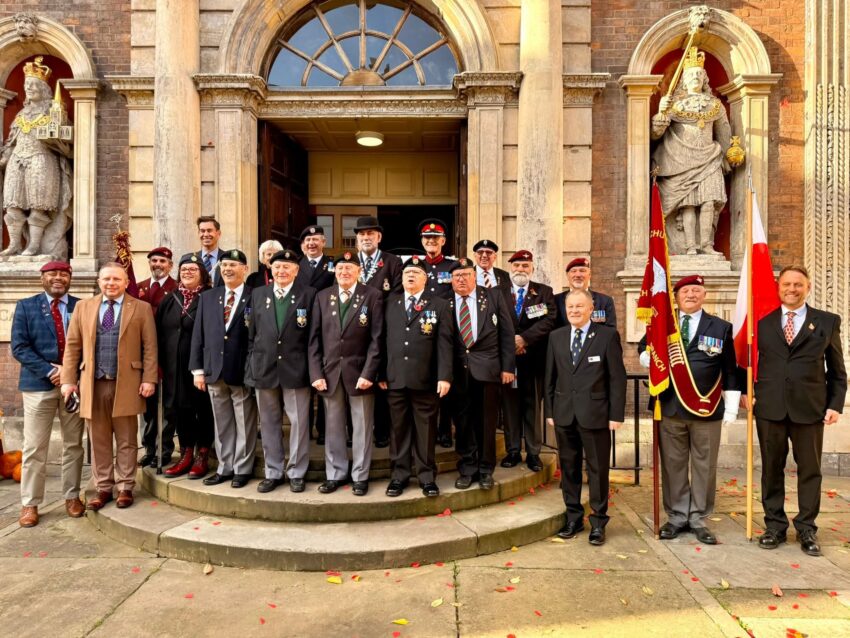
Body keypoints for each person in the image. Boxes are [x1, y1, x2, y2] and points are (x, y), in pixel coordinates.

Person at [638, 275, 741, 545]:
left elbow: (730, 370)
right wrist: (648, 356)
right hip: (670, 406)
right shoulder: (663, 323)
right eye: (686, 291)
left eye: (697, 290)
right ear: (676, 296)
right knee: (673, 464)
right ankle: (676, 516)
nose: (691, 295)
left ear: (704, 295)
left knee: (704, 466)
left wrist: (730, 408)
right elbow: (643, 347)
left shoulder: (721, 327)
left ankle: (698, 518)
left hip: (707, 409)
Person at [753, 266, 847, 556]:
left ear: (807, 287)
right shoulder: (762, 323)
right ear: (778, 288)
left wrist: (835, 404)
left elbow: (838, 370)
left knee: (810, 470)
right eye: (786, 284)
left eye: (798, 284)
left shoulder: (827, 322)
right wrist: (747, 393)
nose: (791, 289)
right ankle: (775, 527)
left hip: (810, 408)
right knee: (771, 469)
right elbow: (748, 363)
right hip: (770, 408)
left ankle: (806, 528)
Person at [61, 263, 158, 510]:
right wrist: (68, 382)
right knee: (99, 439)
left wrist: (149, 378)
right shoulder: (83, 307)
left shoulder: (141, 308)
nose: (111, 283)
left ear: (126, 282)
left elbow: (150, 347)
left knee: (127, 438)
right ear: (99, 282)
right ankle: (103, 487)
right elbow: (72, 347)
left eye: (116, 279)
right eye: (106, 279)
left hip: (127, 383)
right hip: (92, 384)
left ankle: (125, 486)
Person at [545, 289, 626, 546]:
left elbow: (617, 378)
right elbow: (550, 378)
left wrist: (616, 414)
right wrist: (549, 412)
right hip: (564, 414)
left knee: (598, 470)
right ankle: (573, 518)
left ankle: (599, 522)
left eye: (580, 306)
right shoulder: (556, 337)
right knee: (568, 469)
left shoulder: (607, 336)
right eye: (570, 307)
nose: (574, 311)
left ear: (591, 309)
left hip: (596, 415)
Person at [12, 261, 84, 527]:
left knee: (74, 444)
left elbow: (90, 344)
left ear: (70, 278)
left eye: (64, 274)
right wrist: (49, 370)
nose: (58, 278)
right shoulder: (26, 307)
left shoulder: (81, 306)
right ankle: (30, 503)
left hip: (74, 387)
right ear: (42, 277)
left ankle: (72, 496)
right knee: (34, 448)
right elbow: (19, 347)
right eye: (53, 274)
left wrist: (70, 373)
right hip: (37, 386)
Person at [309, 251, 383, 496]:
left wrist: (369, 372)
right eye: (340, 269)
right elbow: (314, 340)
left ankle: (360, 476)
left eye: (349, 269)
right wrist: (316, 373)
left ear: (359, 272)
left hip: (360, 374)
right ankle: (335, 474)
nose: (344, 273)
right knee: (333, 427)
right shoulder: (322, 297)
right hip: (330, 374)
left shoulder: (372, 296)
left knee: (362, 427)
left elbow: (377, 339)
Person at [379, 257, 453, 498]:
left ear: (425, 278)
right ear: (401, 278)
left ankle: (426, 477)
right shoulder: (390, 302)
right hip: (395, 378)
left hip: (426, 380)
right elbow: (381, 341)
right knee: (398, 431)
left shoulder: (439, 305)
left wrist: (444, 376)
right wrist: (380, 373)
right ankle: (398, 476)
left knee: (426, 430)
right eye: (407, 273)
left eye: (416, 273)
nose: (410, 276)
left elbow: (444, 344)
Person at [651, 47, 733, 256]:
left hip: (710, 158)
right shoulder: (673, 104)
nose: (695, 77)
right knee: (687, 204)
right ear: (684, 81)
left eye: (698, 74)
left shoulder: (715, 105)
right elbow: (656, 134)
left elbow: (724, 132)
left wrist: (731, 153)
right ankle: (690, 247)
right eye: (691, 75)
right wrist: (660, 114)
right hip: (680, 161)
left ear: (705, 79)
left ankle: (706, 245)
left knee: (708, 202)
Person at [246, 249, 316, 494]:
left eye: (287, 267)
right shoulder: (258, 294)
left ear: (296, 271)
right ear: (271, 270)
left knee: (299, 424)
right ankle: (273, 471)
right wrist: (251, 366)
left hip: (296, 370)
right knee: (268, 423)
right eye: (277, 267)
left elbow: (313, 338)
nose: (282, 271)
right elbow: (251, 335)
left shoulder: (309, 295)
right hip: (264, 368)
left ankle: (297, 472)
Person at [189, 249, 257, 488]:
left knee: (244, 423)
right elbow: (199, 335)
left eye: (234, 265)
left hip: (242, 372)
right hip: (213, 370)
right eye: (224, 265)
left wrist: (253, 370)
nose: (228, 269)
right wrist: (197, 370)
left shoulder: (255, 296)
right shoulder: (208, 297)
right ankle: (224, 466)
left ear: (245, 269)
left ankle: (242, 468)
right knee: (221, 423)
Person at [448, 258, 515, 490]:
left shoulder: (493, 296)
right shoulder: (444, 301)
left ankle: (486, 469)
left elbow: (507, 334)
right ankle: (467, 468)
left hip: (488, 370)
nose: (462, 280)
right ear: (451, 280)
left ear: (474, 276)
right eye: (457, 276)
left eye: (466, 275)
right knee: (463, 422)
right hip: (457, 373)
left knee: (486, 423)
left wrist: (508, 367)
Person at [155, 254, 214, 479]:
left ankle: (203, 454)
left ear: (202, 273)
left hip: (200, 368)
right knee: (181, 411)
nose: (187, 273)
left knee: (203, 410)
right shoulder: (170, 298)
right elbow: (159, 332)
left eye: (192, 269)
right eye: (184, 269)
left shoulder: (209, 297)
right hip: (173, 368)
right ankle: (186, 452)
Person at [500, 250, 556, 473]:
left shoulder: (543, 292)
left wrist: (525, 339)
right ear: (510, 267)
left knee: (533, 407)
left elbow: (550, 319)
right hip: (508, 361)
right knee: (510, 407)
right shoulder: (498, 292)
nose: (520, 269)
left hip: (533, 361)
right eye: (517, 265)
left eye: (525, 265)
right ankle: (513, 450)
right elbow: (492, 322)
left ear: (532, 268)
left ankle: (533, 453)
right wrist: (511, 342)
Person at [354, 215, 401, 448]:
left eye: (370, 234)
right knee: (354, 380)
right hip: (353, 331)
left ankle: (381, 431)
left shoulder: (392, 262)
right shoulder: (348, 260)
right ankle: (353, 433)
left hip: (382, 329)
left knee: (381, 381)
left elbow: (398, 293)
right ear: (357, 238)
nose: (366, 238)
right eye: (362, 234)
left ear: (379, 237)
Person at [137, 246, 178, 468]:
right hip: (144, 356)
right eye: (154, 261)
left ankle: (165, 450)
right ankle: (149, 449)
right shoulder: (140, 288)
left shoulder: (176, 289)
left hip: (168, 354)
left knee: (168, 407)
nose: (158, 265)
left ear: (170, 266)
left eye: (162, 261)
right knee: (148, 407)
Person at [295, 225, 335, 444]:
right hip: (300, 330)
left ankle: (324, 429)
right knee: (303, 382)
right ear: (302, 245)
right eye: (307, 241)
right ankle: (305, 428)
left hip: (325, 328)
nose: (311, 244)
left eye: (316, 240)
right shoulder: (295, 266)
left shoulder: (332, 266)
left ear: (323, 242)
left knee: (325, 381)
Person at [419, 218, 456, 449]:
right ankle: (429, 429)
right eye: (427, 238)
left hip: (446, 332)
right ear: (422, 242)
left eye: (435, 238)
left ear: (443, 241)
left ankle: (445, 430)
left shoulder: (452, 267)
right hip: (421, 333)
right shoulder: (415, 266)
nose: (431, 241)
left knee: (445, 384)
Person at [554, 258, 616, 329]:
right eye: (573, 271)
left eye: (582, 271)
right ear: (567, 275)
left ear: (589, 275)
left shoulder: (605, 301)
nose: (578, 275)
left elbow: (611, 332)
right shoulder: (555, 301)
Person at [184, 216, 224, 287]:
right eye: (202, 231)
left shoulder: (226, 258)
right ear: (199, 233)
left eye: (209, 230)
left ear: (219, 233)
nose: (205, 234)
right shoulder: (189, 259)